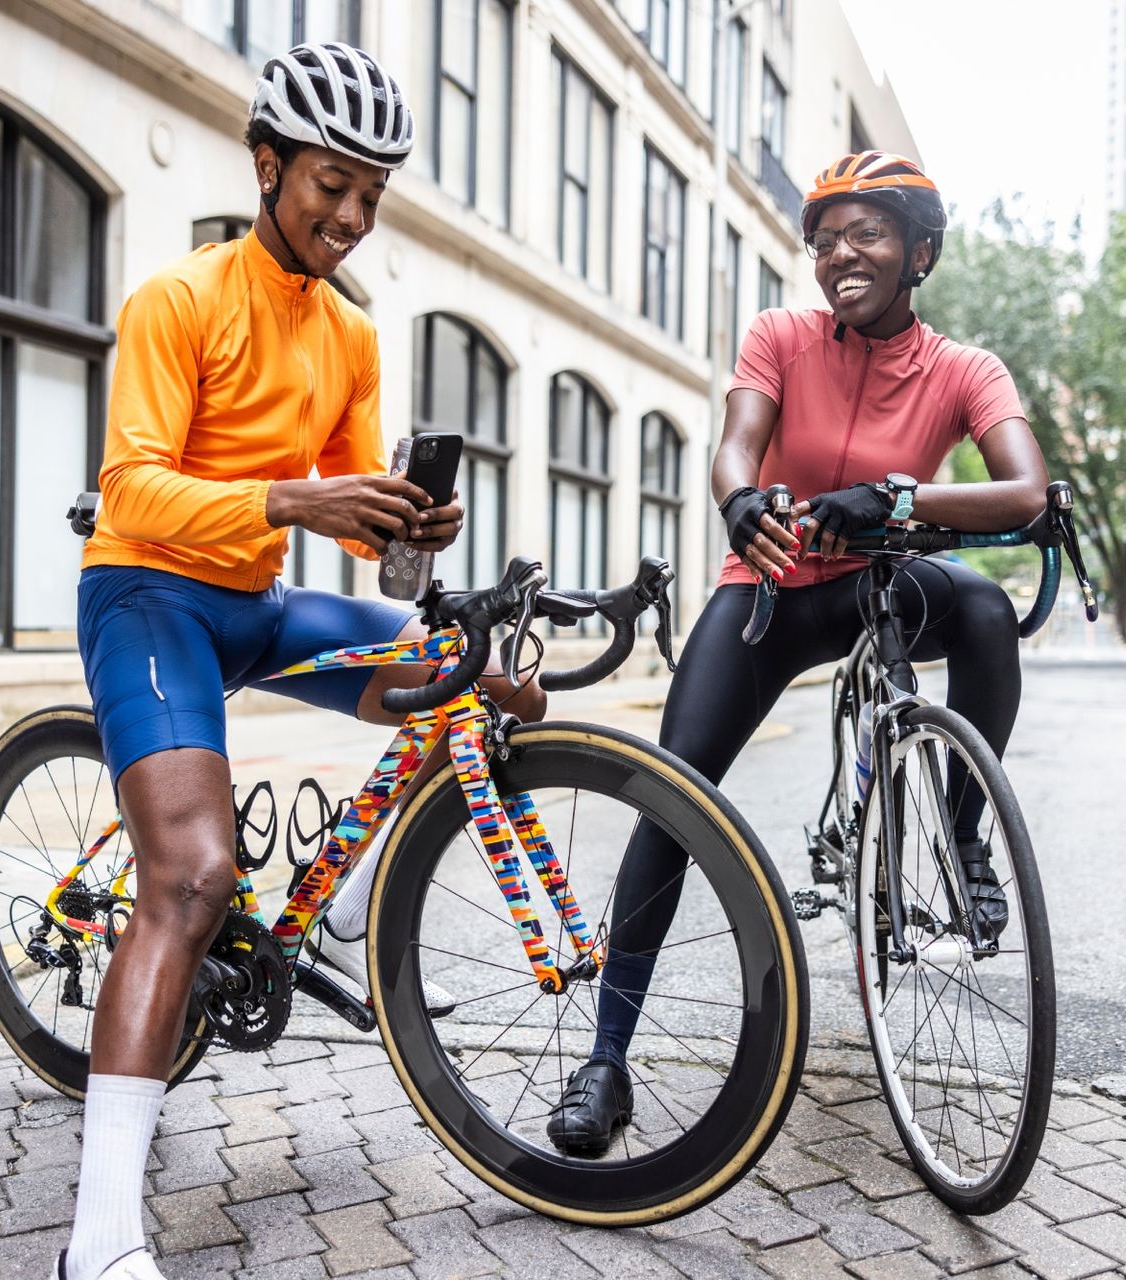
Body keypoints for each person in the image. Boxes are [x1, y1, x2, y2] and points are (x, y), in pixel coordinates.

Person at [60, 43, 541, 1280]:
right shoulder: (179, 298)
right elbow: (136, 485)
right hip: (147, 591)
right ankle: (98, 1239)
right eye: (333, 182)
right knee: (193, 872)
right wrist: (300, 500)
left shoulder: (354, 337)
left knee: (462, 669)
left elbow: (359, 530)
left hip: (259, 602)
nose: (351, 215)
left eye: (372, 195)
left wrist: (404, 529)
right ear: (267, 163)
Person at [545, 152, 1049, 1156]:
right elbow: (738, 445)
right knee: (672, 792)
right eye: (824, 240)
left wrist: (898, 501)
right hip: (771, 591)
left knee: (988, 609)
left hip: (882, 581)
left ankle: (963, 835)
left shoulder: (964, 369)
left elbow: (1026, 493)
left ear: (920, 252)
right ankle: (604, 1058)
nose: (839, 254)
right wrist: (741, 501)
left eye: (865, 234)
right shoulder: (780, 335)